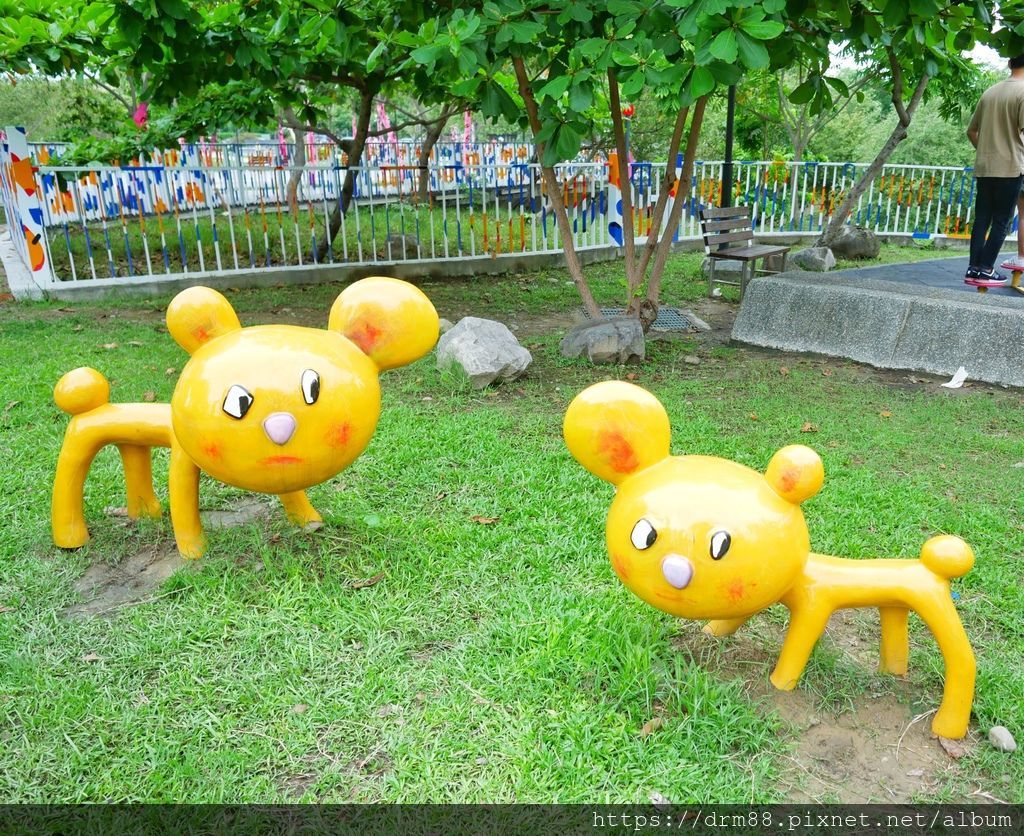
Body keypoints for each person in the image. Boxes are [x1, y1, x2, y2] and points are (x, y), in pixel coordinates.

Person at [966, 54, 1024, 287]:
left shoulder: (990, 92)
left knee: (982, 219)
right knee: (1002, 221)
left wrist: (988, 151)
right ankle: (987, 268)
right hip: (1011, 166)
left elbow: (972, 131)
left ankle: (973, 268)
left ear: (1009, 64)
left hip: (985, 166)